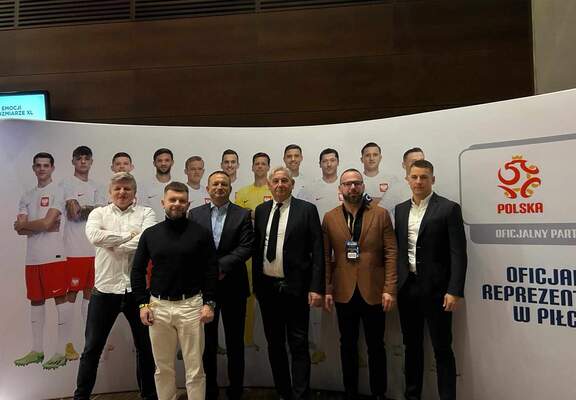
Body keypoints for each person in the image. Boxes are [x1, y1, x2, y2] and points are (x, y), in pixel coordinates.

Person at [74, 172, 157, 400]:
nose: (122, 192)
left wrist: (114, 242)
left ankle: (149, 395)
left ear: (134, 192)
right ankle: (81, 397)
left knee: (145, 349)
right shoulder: (98, 213)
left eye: (127, 188)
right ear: (110, 192)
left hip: (138, 292)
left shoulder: (147, 213)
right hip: (104, 291)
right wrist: (129, 236)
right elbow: (94, 236)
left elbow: (146, 240)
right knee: (92, 349)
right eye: (117, 188)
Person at [132, 182, 218, 400]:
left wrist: (209, 303)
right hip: (158, 307)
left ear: (188, 204)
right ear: (163, 202)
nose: (177, 204)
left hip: (192, 307)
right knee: (163, 368)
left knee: (195, 369)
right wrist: (143, 304)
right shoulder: (150, 234)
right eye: (172, 200)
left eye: (182, 201)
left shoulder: (201, 233)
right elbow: (137, 271)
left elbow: (211, 270)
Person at [394, 159, 467, 400]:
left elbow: (458, 253)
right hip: (408, 289)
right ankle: (412, 396)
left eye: (423, 177)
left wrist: (454, 290)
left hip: (438, 292)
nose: (418, 181)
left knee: (442, 349)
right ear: (407, 179)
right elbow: (399, 250)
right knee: (411, 347)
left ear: (432, 179)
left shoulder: (448, 208)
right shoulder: (400, 210)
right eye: (414, 177)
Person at [323, 169, 398, 400]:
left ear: (363, 186)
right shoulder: (330, 217)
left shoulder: (381, 214)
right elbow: (325, 257)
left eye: (356, 183)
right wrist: (327, 288)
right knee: (347, 345)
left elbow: (391, 253)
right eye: (347, 184)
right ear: (340, 189)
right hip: (343, 291)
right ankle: (350, 392)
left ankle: (379, 394)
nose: (352, 187)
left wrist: (389, 289)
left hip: (374, 290)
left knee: (376, 346)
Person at [253, 166, 324, 400]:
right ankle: (283, 392)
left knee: (299, 344)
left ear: (292, 184)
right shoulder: (261, 210)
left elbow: (318, 251)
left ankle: (301, 394)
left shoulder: (307, 210)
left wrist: (316, 287)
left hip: (296, 289)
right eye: (276, 181)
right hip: (268, 290)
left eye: (285, 180)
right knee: (274, 345)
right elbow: (257, 249)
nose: (280, 184)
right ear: (269, 185)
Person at [190, 171, 254, 400]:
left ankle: (235, 390)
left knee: (235, 342)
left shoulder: (242, 214)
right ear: (207, 188)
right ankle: (209, 390)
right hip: (204, 289)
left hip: (234, 286)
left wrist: (219, 267)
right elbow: (191, 246)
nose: (219, 187)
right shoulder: (195, 214)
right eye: (215, 184)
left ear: (230, 188)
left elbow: (247, 247)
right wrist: (209, 271)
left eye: (224, 184)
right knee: (206, 343)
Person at [13, 152, 73, 370]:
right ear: (33, 168)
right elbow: (21, 230)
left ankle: (61, 352)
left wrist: (28, 225)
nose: (42, 169)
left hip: (53, 255)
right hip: (32, 258)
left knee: (60, 300)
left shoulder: (59, 191)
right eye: (38, 165)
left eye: (46, 165)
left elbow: (47, 224)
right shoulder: (26, 196)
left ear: (52, 168)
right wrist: (34, 225)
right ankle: (37, 351)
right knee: (36, 301)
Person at [60, 146, 106, 345]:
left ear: (91, 161)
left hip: (94, 250)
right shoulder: (67, 184)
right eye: (79, 158)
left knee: (90, 294)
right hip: (74, 250)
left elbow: (103, 214)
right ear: (73, 161)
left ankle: (85, 341)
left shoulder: (98, 186)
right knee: (71, 294)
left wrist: (86, 209)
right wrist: (94, 209)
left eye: (86, 158)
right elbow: (73, 213)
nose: (83, 161)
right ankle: (66, 343)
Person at [234, 153, 273, 352]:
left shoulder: (274, 190)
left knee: (269, 296)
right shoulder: (242, 192)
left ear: (268, 167)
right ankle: (247, 339)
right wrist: (253, 214)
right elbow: (239, 218)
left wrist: (255, 214)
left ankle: (271, 340)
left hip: (270, 251)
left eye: (263, 164)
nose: (260, 166)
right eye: (256, 163)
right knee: (248, 296)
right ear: (252, 167)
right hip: (249, 250)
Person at [360, 142, 401, 212]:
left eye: (375, 155)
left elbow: (395, 202)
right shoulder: (355, 180)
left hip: (386, 218)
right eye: (367, 155)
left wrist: (363, 200)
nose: (371, 158)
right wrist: (382, 200)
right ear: (362, 159)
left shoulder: (392, 179)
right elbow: (353, 203)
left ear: (380, 158)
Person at [140, 148, 174, 221]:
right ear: (154, 163)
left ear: (172, 162)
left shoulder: (178, 186)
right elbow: (141, 212)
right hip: (151, 226)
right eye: (160, 161)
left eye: (167, 160)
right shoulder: (143, 187)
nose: (163, 163)